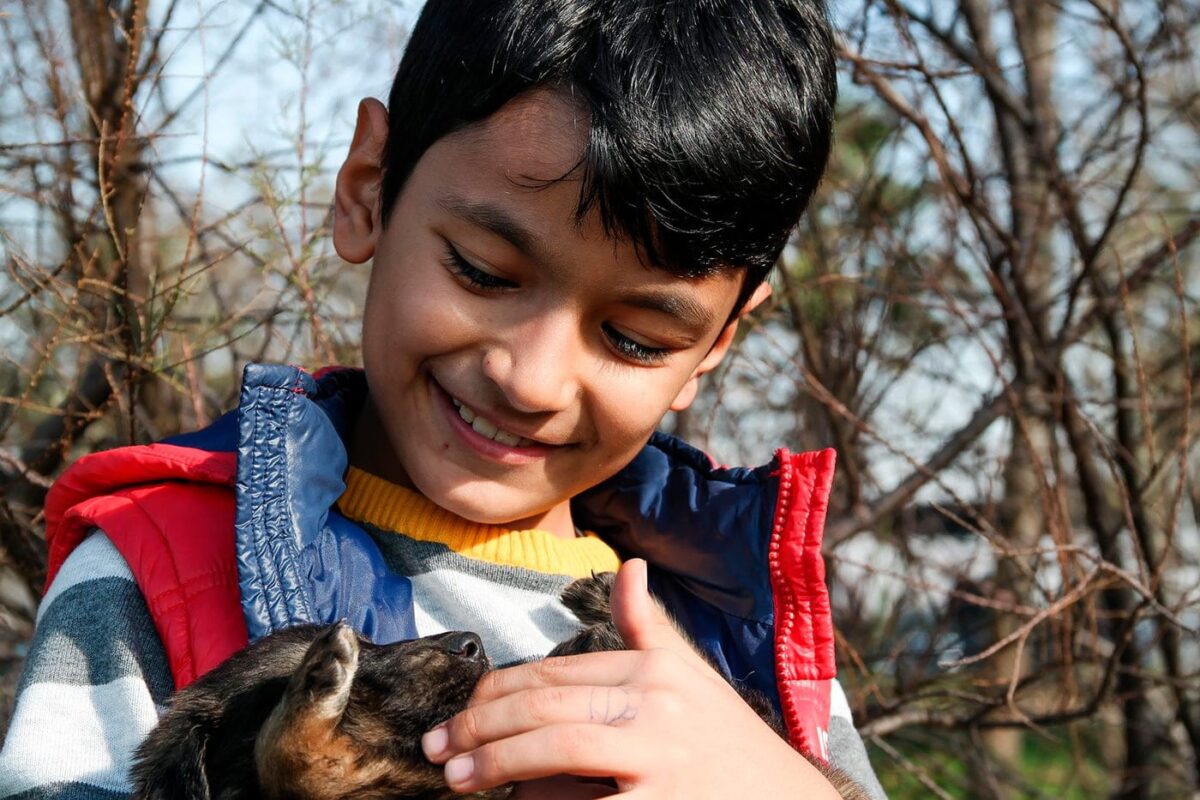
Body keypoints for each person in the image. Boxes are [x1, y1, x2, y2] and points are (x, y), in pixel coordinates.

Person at [0, 0, 887, 797]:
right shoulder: (161, 568)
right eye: (484, 271)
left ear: (715, 344)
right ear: (368, 189)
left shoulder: (725, 639)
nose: (531, 379)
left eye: (635, 338)